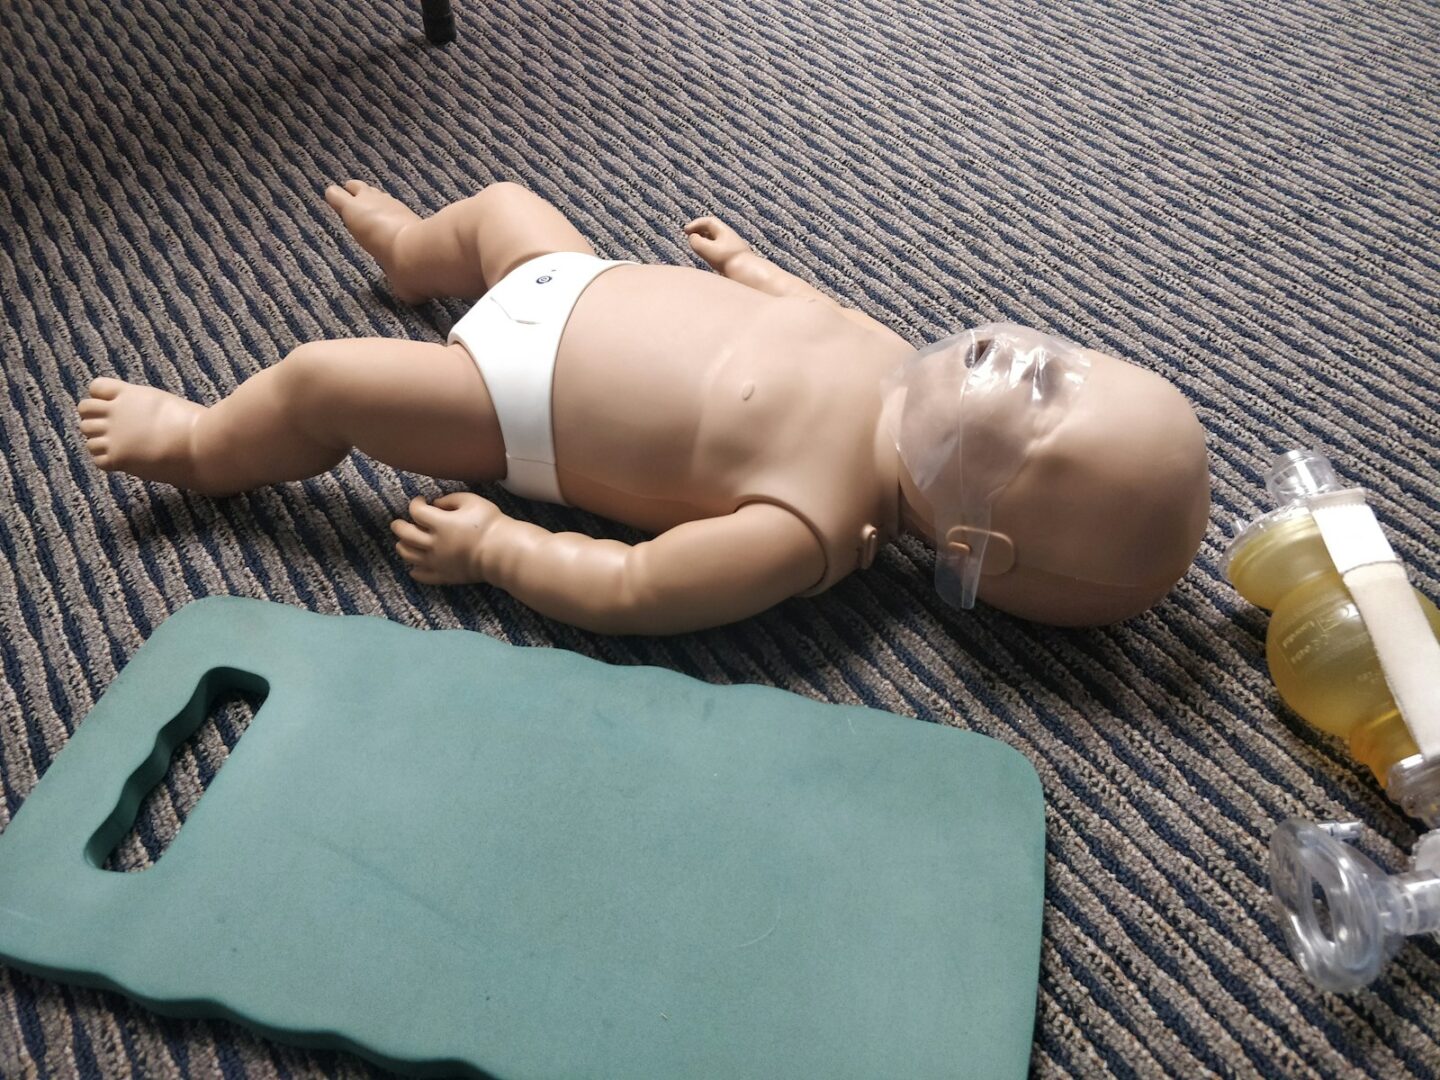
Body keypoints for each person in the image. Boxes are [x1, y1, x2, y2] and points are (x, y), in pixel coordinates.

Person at [77, 180, 1210, 634]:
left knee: (327, 378)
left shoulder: (811, 525)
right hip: (575, 279)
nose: (1030, 355)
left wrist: (502, 549)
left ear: (975, 546)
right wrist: (750, 264)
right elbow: (806, 308)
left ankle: (197, 441)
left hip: (512, 405)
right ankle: (421, 255)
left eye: (1045, 396)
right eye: (1073, 355)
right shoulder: (895, 364)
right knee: (500, 208)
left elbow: (638, 589)